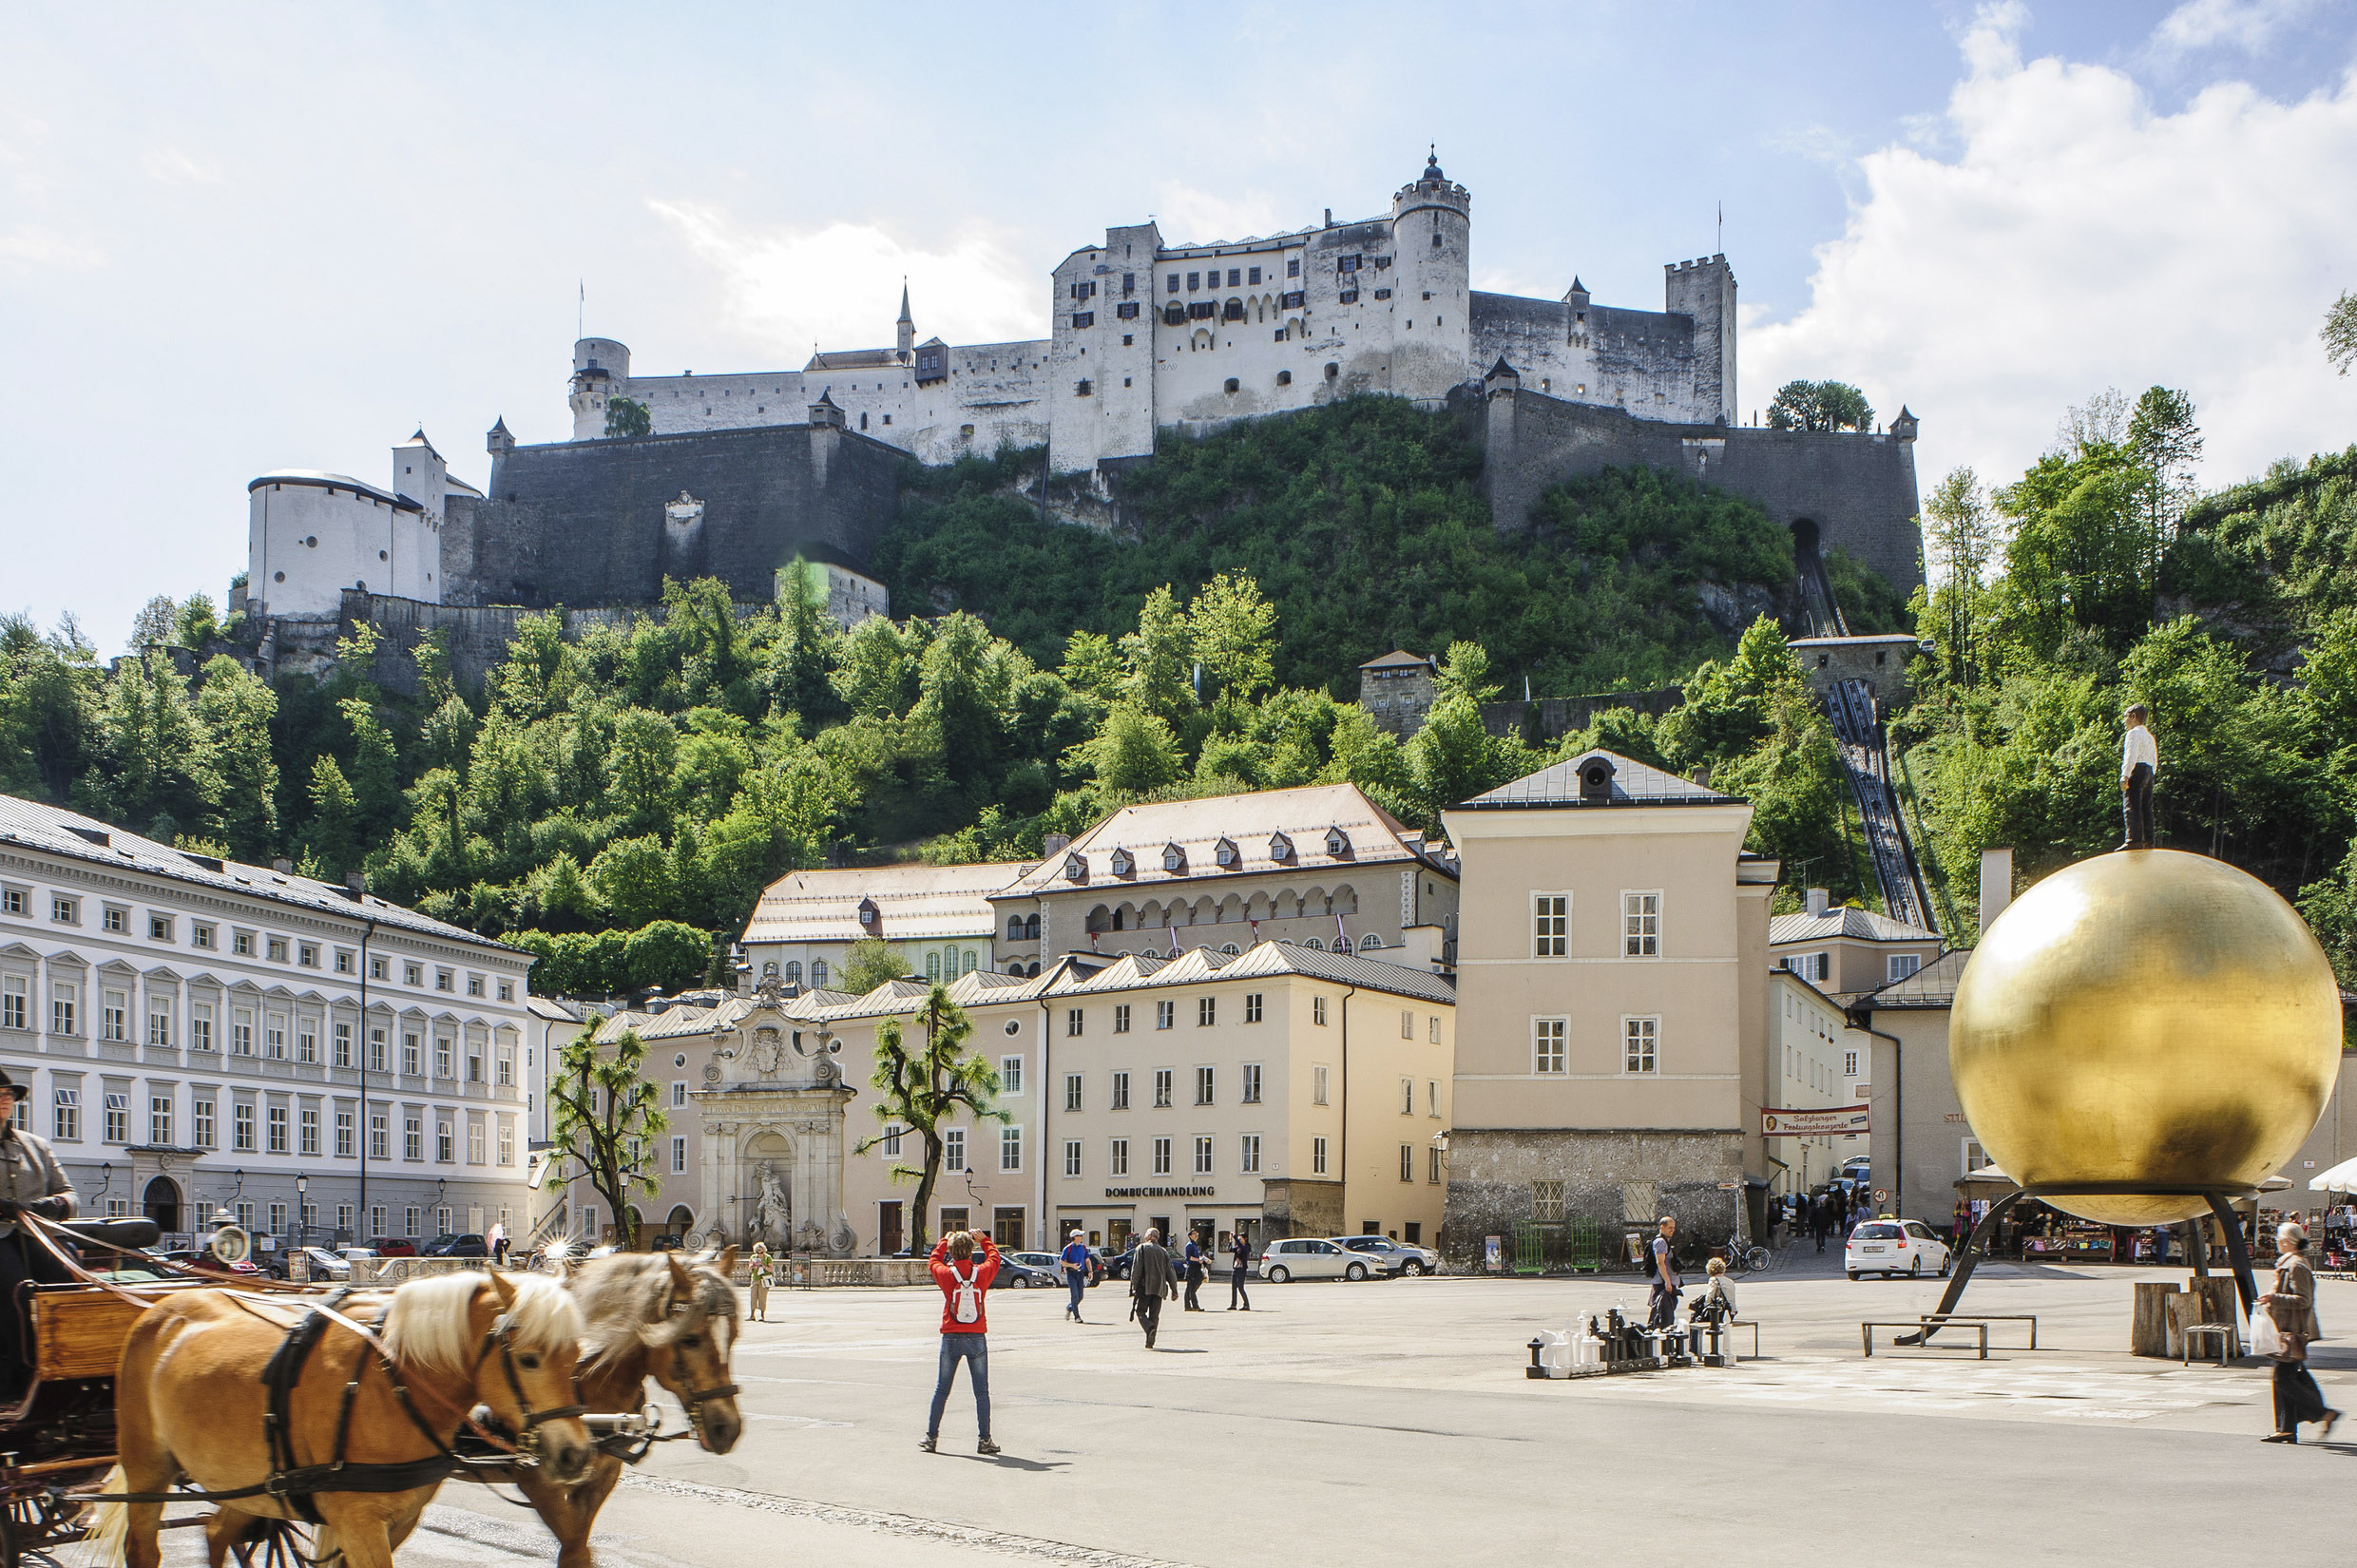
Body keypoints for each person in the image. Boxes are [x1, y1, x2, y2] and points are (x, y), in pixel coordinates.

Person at [0, 1069, 77, 1398]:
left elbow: (70, 1194)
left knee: (73, 1282)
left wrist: (55, 1204)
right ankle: (16, 1374)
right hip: (2, 1236)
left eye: (8, 1095)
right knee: (19, 1291)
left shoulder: (37, 1146)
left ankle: (72, 1367)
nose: (5, 1100)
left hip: (37, 1233)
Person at [2260, 1221, 2340, 1444]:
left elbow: (2304, 1300)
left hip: (2292, 1330)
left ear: (2286, 1241)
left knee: (2284, 1378)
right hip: (2285, 1328)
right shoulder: (2288, 1263)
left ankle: (2321, 1413)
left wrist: (2273, 1298)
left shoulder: (2296, 1266)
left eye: (2278, 1238)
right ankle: (2286, 1428)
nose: (2276, 1242)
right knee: (2287, 1377)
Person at [922, 1230, 1000, 1455]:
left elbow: (933, 1261)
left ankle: (931, 1438)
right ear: (970, 1251)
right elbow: (994, 1258)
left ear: (952, 1252)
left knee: (942, 1390)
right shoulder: (981, 1273)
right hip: (976, 1336)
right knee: (981, 1392)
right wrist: (985, 1241)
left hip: (951, 1335)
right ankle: (985, 1440)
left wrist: (943, 1242)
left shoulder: (946, 1275)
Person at [1128, 1227, 1178, 1348]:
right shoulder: (1163, 1251)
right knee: (1154, 1315)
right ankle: (1150, 1341)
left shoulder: (1142, 1248)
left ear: (1150, 1236)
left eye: (1146, 1235)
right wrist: (1174, 1290)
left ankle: (1149, 1328)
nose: (1145, 1238)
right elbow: (1170, 1272)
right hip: (1160, 1289)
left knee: (1140, 1311)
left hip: (1145, 1287)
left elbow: (1136, 1270)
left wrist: (1134, 1286)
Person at [2118, 702, 2157, 851]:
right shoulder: (2149, 736)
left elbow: (2130, 756)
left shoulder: (2133, 733)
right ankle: (2149, 841)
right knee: (2146, 808)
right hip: (2149, 771)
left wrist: (2125, 775)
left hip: (2137, 769)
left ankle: (2133, 839)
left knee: (2131, 805)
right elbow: (2155, 759)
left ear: (2133, 716)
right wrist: (2151, 773)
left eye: (2125, 717)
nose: (2124, 721)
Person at [1646, 1216, 1680, 1331]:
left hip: (1664, 1282)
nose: (1672, 1230)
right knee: (1661, 1314)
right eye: (1670, 1228)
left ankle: (1655, 1332)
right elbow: (1660, 1262)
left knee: (1663, 1311)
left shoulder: (1665, 1241)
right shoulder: (1661, 1242)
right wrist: (1667, 1282)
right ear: (1662, 1227)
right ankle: (1655, 1333)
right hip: (1662, 1283)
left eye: (1674, 1228)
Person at [1060, 1228, 1090, 1324]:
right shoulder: (1068, 1248)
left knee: (1080, 1296)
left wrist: (1090, 1271)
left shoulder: (1084, 1248)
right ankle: (1077, 1317)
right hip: (1071, 1273)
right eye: (1079, 1235)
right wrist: (1072, 1265)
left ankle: (1070, 1307)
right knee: (1074, 1295)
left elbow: (1087, 1260)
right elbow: (1061, 1261)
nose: (1081, 1237)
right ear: (1075, 1237)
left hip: (1080, 1273)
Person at [1181, 1232, 1207, 1311]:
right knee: (1192, 1288)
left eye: (1197, 1234)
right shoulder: (1189, 1245)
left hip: (1196, 1267)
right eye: (1194, 1234)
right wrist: (1198, 1260)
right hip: (1192, 1268)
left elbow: (1195, 1256)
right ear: (1190, 1236)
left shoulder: (1195, 1245)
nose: (1196, 1235)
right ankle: (1195, 1306)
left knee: (1190, 1287)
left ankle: (1188, 1306)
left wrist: (1202, 1259)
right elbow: (1188, 1258)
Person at [1228, 1229, 1253, 1310]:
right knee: (1234, 1287)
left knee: (1240, 1287)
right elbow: (1230, 1249)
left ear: (1245, 1239)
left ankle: (1246, 1304)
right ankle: (1233, 1304)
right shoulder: (1238, 1247)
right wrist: (1230, 1241)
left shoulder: (1247, 1247)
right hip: (1235, 1268)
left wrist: (1234, 1237)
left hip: (1242, 1269)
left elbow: (1243, 1248)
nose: (1239, 1240)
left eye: (1240, 1238)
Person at [748, 1241, 773, 1322]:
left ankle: (762, 1315)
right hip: (755, 1278)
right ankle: (752, 1315)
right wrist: (752, 1266)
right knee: (753, 1297)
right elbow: (749, 1269)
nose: (760, 1254)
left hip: (764, 1279)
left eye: (761, 1252)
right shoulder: (753, 1257)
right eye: (758, 1252)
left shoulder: (768, 1257)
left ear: (764, 1251)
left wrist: (763, 1266)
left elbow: (771, 1269)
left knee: (762, 1297)